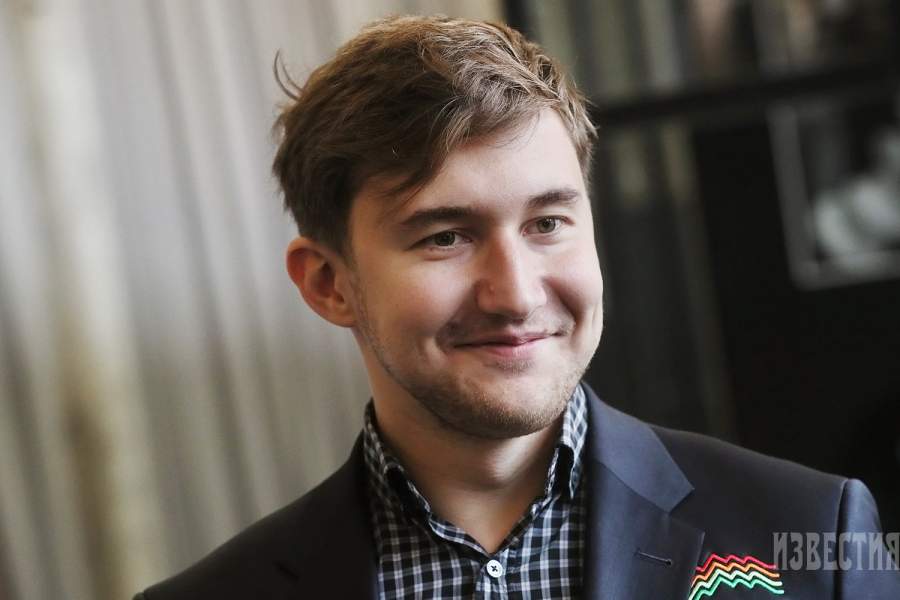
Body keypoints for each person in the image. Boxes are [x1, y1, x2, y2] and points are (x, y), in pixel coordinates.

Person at [135, 14, 899, 599]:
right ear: (328, 284)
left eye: (547, 224)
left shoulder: (817, 534)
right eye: (444, 237)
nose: (517, 293)